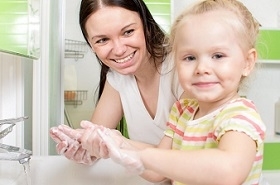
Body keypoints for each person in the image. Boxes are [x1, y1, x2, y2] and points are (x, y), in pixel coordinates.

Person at [97, 0, 266, 184]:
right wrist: (117, 143)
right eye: (190, 57)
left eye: (218, 56)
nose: (202, 68)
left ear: (248, 62)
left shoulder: (239, 115)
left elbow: (229, 171)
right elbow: (158, 173)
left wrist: (144, 157)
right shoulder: (182, 112)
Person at [50, 0, 182, 166]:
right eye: (102, 40)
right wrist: (84, 148)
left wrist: (120, 143)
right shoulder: (117, 79)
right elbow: (97, 140)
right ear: (91, 45)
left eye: (128, 32)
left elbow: (186, 160)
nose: (119, 50)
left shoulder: (183, 69)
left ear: (146, 25)